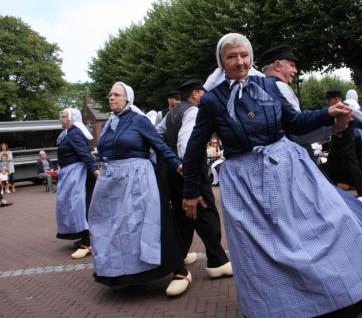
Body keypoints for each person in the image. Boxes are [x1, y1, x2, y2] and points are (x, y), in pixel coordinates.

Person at [182, 33, 362, 318]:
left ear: (251, 57)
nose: (240, 61)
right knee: (265, 253)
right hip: (246, 184)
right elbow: (195, 148)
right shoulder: (212, 101)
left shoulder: (269, 86)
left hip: (289, 170)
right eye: (232, 56)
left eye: (244, 55)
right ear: (221, 61)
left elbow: (294, 122)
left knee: (336, 224)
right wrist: (190, 191)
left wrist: (326, 114)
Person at [89, 81, 185, 291]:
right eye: (110, 95)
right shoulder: (109, 124)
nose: (111, 98)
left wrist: (177, 164)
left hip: (137, 179)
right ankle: (123, 273)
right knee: (115, 228)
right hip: (112, 182)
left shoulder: (138, 120)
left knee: (142, 225)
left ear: (127, 99)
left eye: (116, 94)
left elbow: (159, 145)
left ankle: (178, 269)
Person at [161, 79, 232, 296]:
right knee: (207, 214)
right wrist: (186, 168)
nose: (205, 95)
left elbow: (158, 135)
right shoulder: (193, 111)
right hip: (190, 172)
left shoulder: (170, 114)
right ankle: (216, 260)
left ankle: (179, 256)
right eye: (202, 91)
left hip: (173, 171)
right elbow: (187, 145)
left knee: (183, 217)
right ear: (194, 93)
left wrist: (170, 161)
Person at [325, 88, 362, 204]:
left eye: (329, 100)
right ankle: (330, 193)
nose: (328, 103)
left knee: (352, 166)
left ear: (336, 99)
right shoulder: (330, 110)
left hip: (347, 141)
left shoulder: (347, 107)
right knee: (331, 166)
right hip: (336, 141)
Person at [55, 108, 99, 259]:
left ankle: (88, 243)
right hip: (70, 174)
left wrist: (94, 170)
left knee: (80, 206)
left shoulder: (74, 133)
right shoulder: (70, 133)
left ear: (72, 119)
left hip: (78, 175)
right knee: (72, 206)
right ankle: (85, 238)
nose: (61, 119)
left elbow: (83, 153)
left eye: (63, 116)